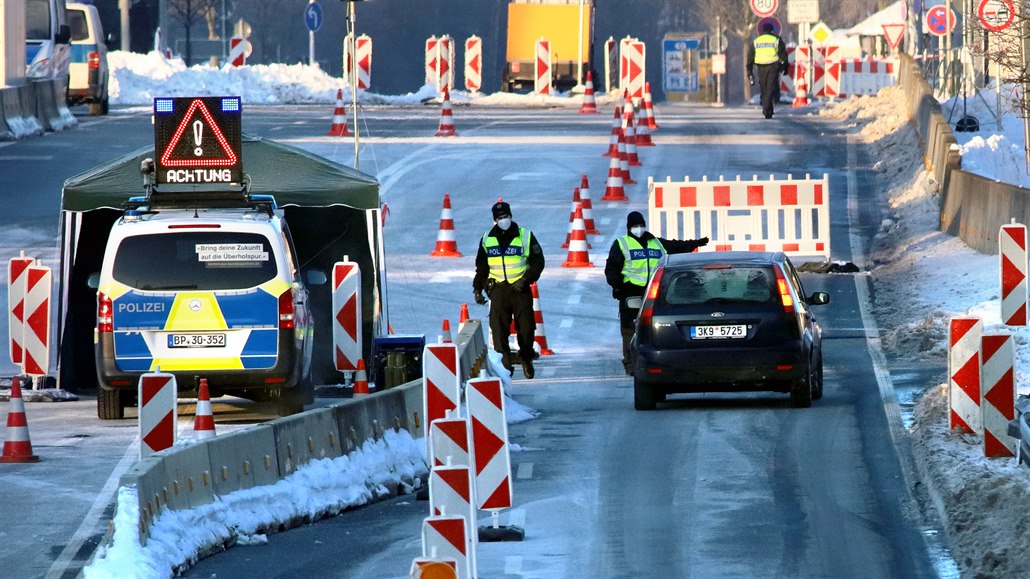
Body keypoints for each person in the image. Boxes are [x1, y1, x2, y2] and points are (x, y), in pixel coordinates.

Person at [605, 211, 709, 374]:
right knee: (629, 330)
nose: (638, 228)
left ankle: (656, 360)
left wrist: (695, 243)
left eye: (640, 225)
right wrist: (618, 287)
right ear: (629, 227)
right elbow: (611, 269)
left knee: (655, 327)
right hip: (631, 292)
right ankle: (630, 364)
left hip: (653, 292)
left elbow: (676, 246)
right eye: (635, 226)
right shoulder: (621, 244)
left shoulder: (656, 242)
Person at [473, 200, 545, 379]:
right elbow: (481, 268)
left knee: (527, 328)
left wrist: (526, 279)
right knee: (498, 330)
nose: (503, 220)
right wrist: (478, 288)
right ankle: (504, 367)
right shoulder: (487, 239)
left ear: (511, 216)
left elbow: (538, 262)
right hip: (498, 290)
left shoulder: (525, 236)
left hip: (519, 288)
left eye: (505, 216)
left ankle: (526, 357)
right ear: (494, 220)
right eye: (499, 218)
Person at [747, 22, 789, 120]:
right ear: (772, 30)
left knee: (764, 87)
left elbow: (750, 57)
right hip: (773, 65)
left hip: (760, 66)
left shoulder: (756, 41)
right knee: (771, 87)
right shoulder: (776, 40)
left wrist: (749, 70)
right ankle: (767, 109)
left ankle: (768, 108)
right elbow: (784, 55)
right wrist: (785, 68)